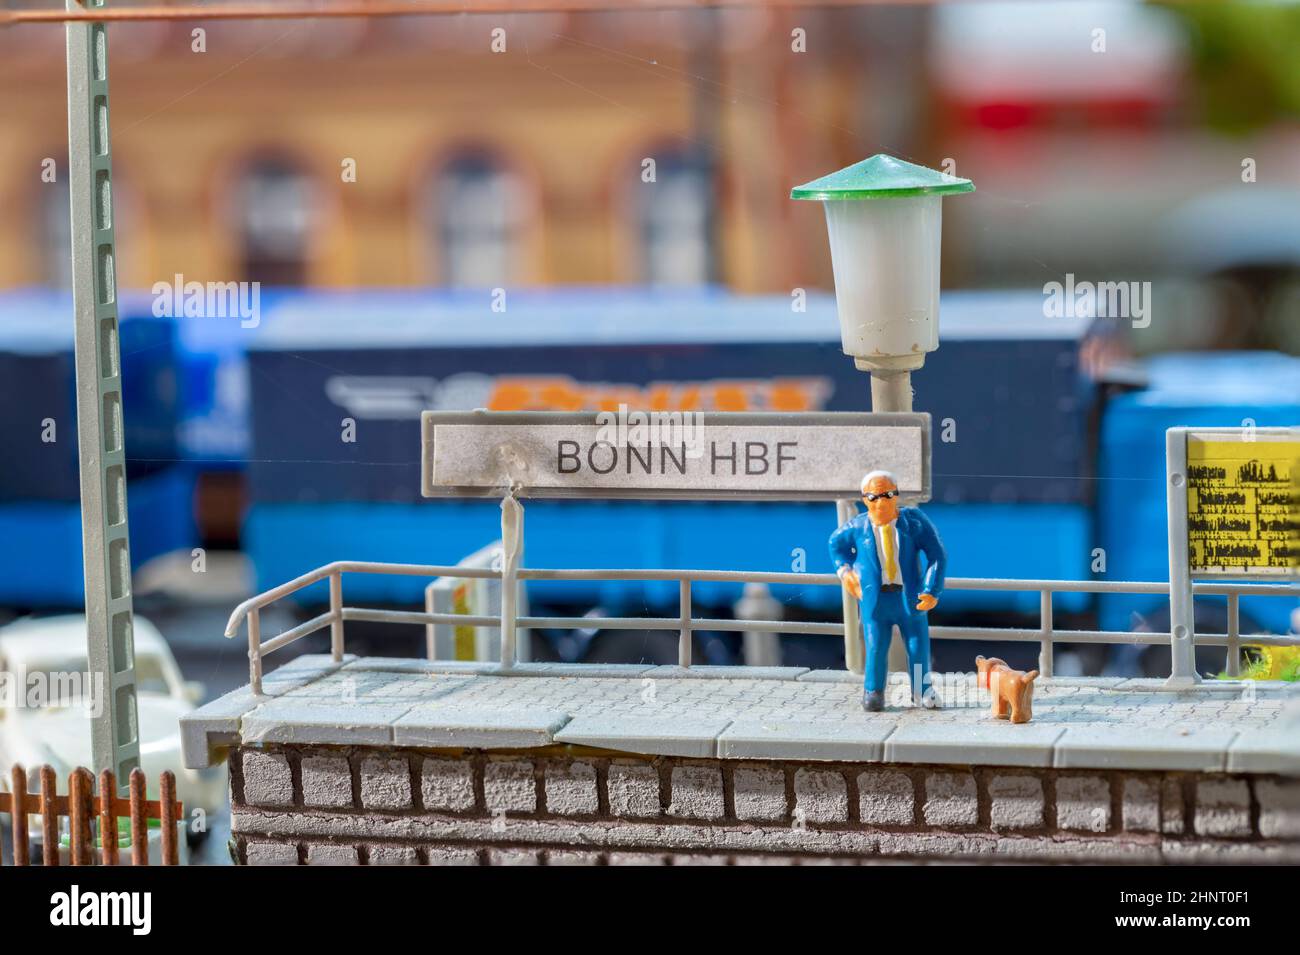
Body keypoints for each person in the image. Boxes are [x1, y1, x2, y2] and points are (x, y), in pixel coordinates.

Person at [829, 470, 946, 711]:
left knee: (917, 646)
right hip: (876, 600)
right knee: (875, 646)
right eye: (874, 497)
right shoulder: (857, 528)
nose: (881, 502)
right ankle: (873, 691)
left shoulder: (913, 522)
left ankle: (922, 690)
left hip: (909, 597)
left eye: (888, 495)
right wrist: (844, 571)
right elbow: (835, 545)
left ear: (897, 496)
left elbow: (936, 554)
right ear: (865, 499)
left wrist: (931, 589)